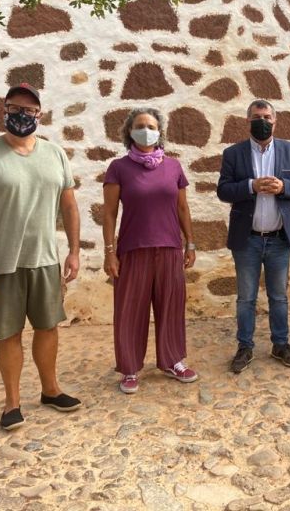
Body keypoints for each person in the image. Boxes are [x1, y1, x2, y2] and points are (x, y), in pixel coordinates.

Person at [0, 83, 81, 431]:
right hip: (0, 263)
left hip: (44, 259)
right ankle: (12, 403)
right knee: (8, 334)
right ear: (4, 110)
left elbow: (68, 205)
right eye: (15, 108)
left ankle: (51, 390)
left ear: (39, 115)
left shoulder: (54, 153)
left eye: (29, 110)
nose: (21, 116)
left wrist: (72, 251)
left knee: (48, 327)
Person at [102, 108, 198, 394]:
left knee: (171, 306)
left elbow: (182, 208)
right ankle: (130, 368)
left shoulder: (173, 167)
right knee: (130, 310)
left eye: (152, 125)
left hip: (169, 247)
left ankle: (172, 360)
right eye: (140, 125)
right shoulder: (118, 168)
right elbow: (108, 214)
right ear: (129, 132)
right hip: (132, 249)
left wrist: (189, 242)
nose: (146, 130)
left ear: (160, 131)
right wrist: (109, 251)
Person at [217, 99, 290, 373]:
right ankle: (245, 347)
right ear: (248, 121)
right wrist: (251, 186)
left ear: (275, 120)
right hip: (247, 238)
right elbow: (223, 190)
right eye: (257, 116)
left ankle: (280, 344)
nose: (263, 121)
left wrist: (284, 187)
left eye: (267, 116)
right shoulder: (233, 153)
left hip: (279, 237)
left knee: (278, 297)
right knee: (246, 298)